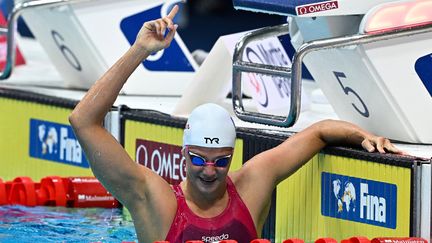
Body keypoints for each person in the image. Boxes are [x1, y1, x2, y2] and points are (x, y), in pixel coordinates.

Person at [69, 5, 403, 243]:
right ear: (184, 154)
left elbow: (317, 132)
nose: (210, 171)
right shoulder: (154, 200)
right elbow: (83, 120)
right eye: (199, 159)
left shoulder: (252, 185)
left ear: (232, 155)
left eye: (221, 161)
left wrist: (363, 136)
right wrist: (141, 50)